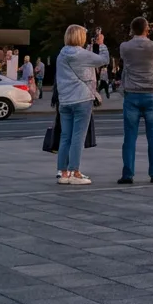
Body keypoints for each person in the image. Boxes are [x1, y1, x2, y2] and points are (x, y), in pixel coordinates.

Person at [118, 18, 153, 185]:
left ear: (131, 29)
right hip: (151, 94)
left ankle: (128, 174)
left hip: (132, 94)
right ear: (147, 30)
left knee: (129, 137)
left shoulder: (125, 47)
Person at [55, 26, 108, 185]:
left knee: (65, 137)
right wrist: (102, 44)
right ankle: (75, 172)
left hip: (65, 101)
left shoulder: (61, 54)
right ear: (80, 37)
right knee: (78, 136)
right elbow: (103, 60)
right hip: (82, 99)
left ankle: (63, 172)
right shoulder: (81, 54)